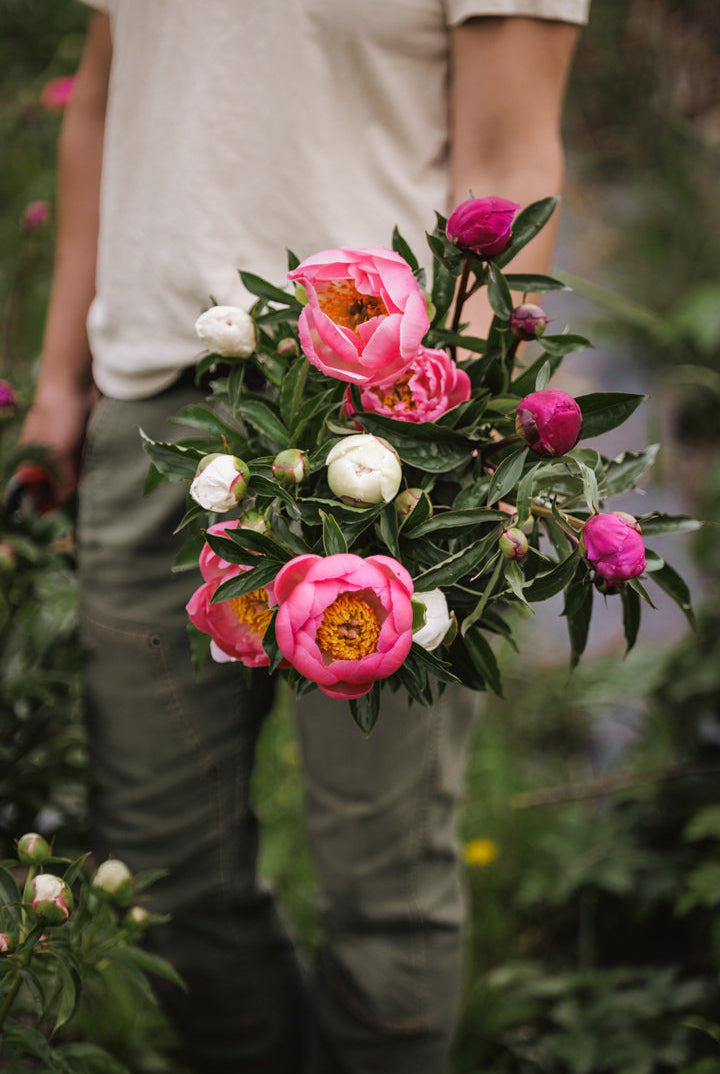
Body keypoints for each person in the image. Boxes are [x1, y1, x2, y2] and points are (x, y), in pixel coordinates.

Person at [18, 2, 589, 1071]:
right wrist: (59, 379)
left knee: (384, 881)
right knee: (160, 871)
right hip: (151, 401)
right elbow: (102, 100)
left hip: (379, 416)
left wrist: (445, 424)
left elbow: (508, 156)